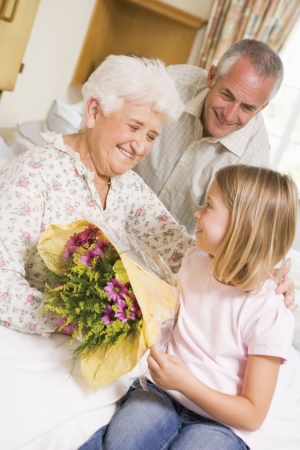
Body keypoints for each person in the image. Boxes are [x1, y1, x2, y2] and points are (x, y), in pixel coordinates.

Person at [80, 165, 297, 450]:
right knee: (123, 440)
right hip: (163, 392)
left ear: (245, 226)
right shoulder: (193, 261)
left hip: (223, 423)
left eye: (209, 206)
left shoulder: (268, 311)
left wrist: (186, 383)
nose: (197, 213)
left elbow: (253, 414)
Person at [134, 39, 284, 235]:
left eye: (247, 107)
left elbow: (233, 239)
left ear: (261, 108)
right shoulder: (169, 84)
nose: (229, 115)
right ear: (212, 77)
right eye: (227, 96)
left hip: (175, 256)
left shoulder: (253, 162)